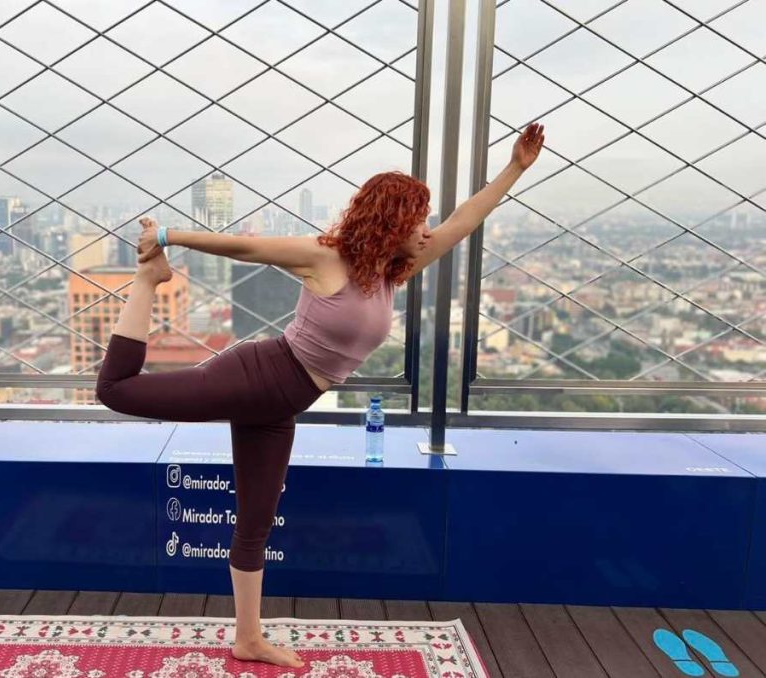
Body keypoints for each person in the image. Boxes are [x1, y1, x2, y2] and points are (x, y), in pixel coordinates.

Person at [96, 123, 545, 669]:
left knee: (255, 521)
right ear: (391, 220)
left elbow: (463, 222)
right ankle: (147, 280)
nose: (427, 229)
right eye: (417, 218)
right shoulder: (325, 257)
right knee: (117, 390)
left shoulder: (390, 270)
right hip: (258, 377)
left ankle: (248, 639)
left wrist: (517, 168)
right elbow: (247, 247)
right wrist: (167, 238)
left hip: (280, 404)